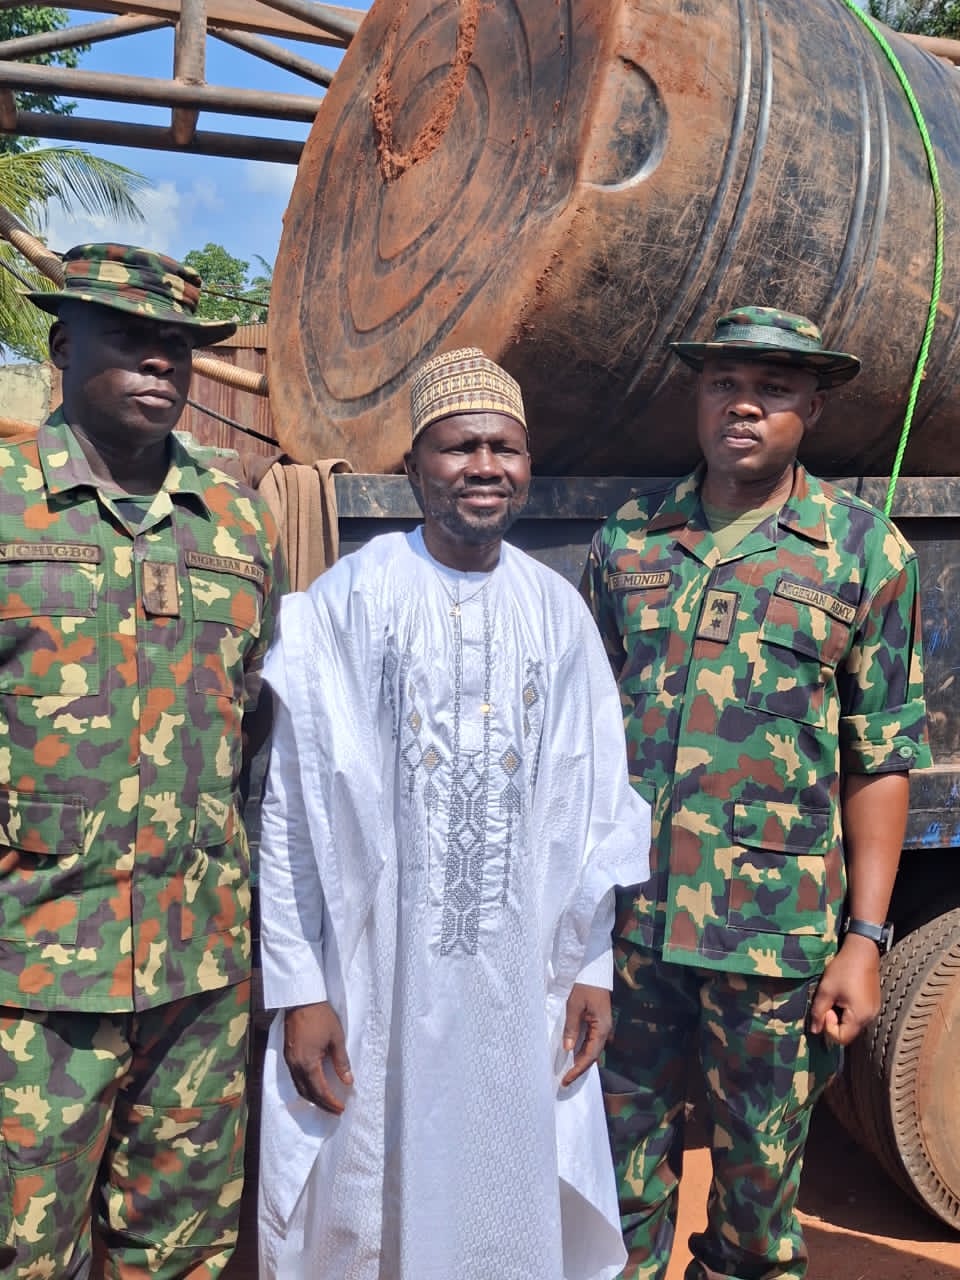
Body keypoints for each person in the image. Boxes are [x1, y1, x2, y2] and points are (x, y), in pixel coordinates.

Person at [257, 346, 651, 1279]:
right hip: (374, 978)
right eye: (458, 446)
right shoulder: (349, 601)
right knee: (367, 1196)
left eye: (504, 448)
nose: (484, 466)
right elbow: (292, 813)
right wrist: (300, 988)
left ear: (528, 464)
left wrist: (592, 967)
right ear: (413, 467)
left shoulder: (556, 613)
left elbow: (598, 808)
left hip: (521, 981)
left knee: (509, 1191)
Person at [581, 306, 931, 1280]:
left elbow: (880, 758)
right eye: (724, 383)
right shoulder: (628, 542)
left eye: (774, 387)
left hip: (773, 942)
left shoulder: (865, 553)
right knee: (608, 1184)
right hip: (629, 932)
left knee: (756, 1207)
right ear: (697, 398)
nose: (744, 404)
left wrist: (865, 940)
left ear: (812, 408)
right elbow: (578, 740)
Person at [0, 243, 286, 1277]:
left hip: (195, 974)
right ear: (63, 345)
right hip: (30, 976)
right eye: (130, 337)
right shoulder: (6, 500)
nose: (162, 361)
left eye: (178, 345)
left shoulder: (237, 519)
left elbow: (254, 728)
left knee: (180, 1251)